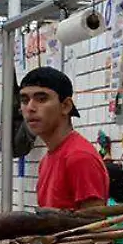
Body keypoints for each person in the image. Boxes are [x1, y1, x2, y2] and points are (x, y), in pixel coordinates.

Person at [18, 66, 107, 210]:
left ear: (65, 106)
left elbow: (95, 227)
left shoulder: (79, 157)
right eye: (24, 100)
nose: (30, 107)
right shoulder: (46, 161)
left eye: (41, 99)